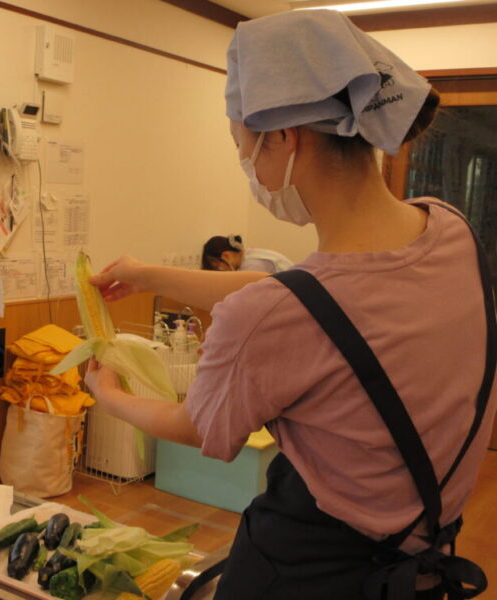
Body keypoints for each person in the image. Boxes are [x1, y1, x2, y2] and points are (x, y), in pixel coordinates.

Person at [84, 10, 494, 600]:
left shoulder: (277, 312)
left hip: (306, 576)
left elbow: (197, 425)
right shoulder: (450, 230)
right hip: (424, 570)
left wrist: (109, 396)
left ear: (282, 136)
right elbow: (310, 298)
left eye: (241, 146)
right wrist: (148, 276)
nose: (246, 166)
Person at [201, 234, 292, 273]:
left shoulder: (252, 265)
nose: (221, 270)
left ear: (226, 256)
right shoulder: (249, 255)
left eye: (217, 266)